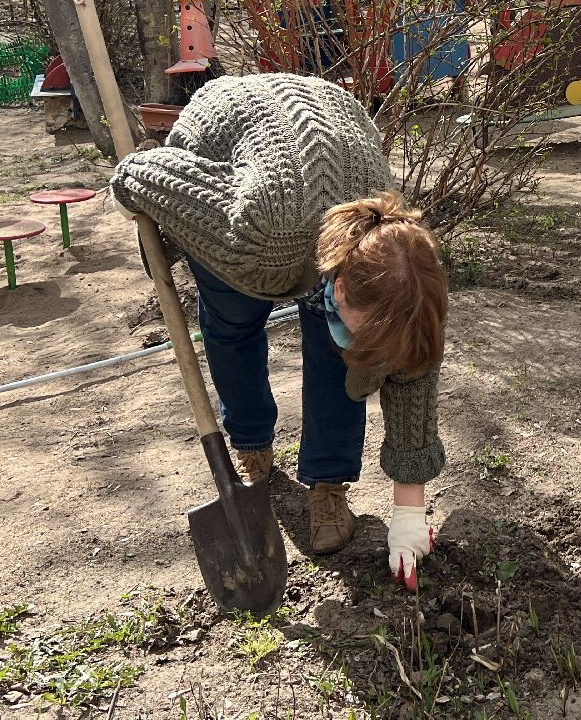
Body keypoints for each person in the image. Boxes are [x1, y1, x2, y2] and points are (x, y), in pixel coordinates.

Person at [110, 73, 447, 591]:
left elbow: (409, 372)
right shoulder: (251, 231)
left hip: (333, 126)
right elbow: (140, 172)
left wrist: (409, 510)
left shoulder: (408, 271)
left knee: (342, 354)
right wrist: (130, 193)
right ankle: (251, 443)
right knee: (233, 326)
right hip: (235, 149)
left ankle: (327, 482)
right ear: (339, 290)